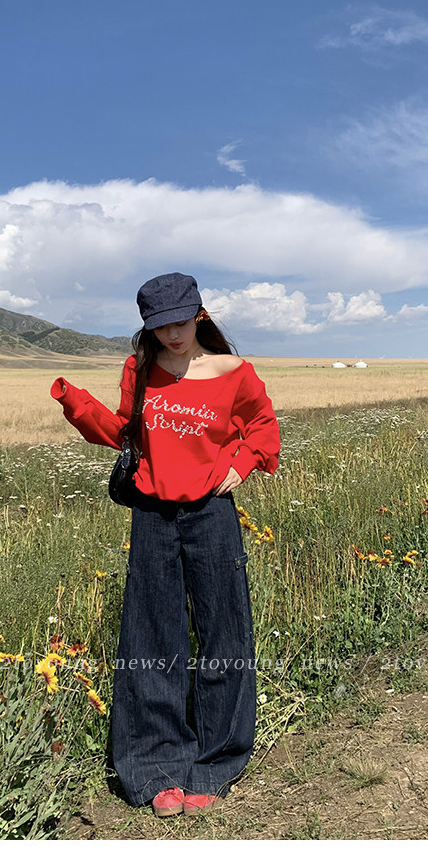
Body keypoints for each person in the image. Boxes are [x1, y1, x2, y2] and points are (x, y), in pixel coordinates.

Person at [50, 272, 280, 817]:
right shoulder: (140, 370)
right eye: (159, 326)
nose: (171, 335)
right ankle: (155, 765)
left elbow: (263, 426)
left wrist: (244, 462)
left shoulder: (235, 373)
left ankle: (217, 760)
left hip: (210, 513)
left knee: (224, 631)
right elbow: (123, 432)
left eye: (179, 322)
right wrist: (75, 404)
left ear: (198, 314)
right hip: (152, 514)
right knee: (151, 636)